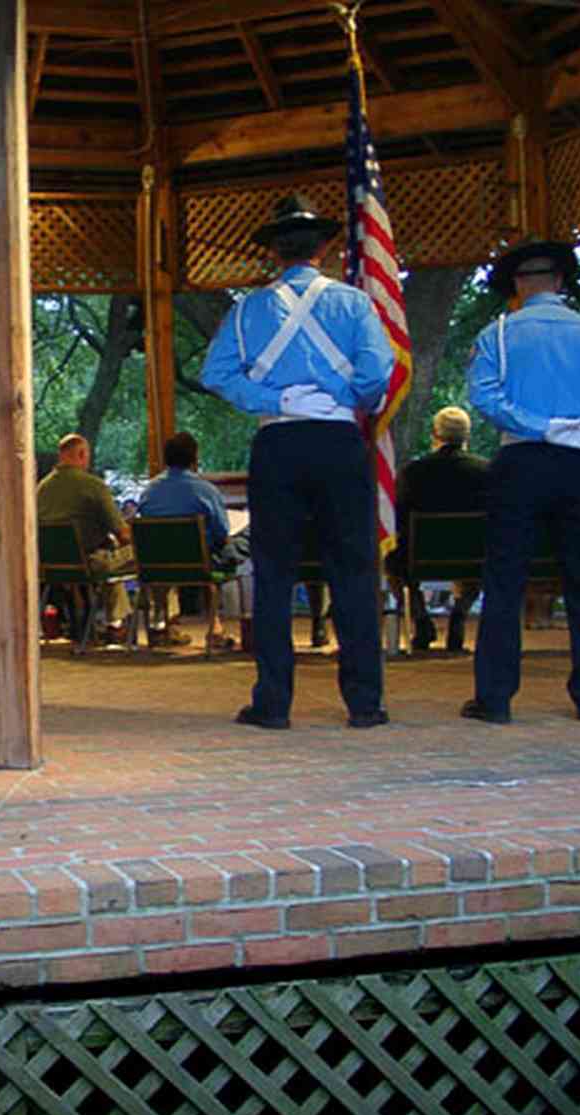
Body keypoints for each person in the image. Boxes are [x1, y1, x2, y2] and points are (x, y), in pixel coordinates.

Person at [200, 193, 395, 730]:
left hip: (279, 442)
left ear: (274, 252)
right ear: (325, 248)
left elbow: (216, 374)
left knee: (275, 572)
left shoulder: (247, 310)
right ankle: (364, 702)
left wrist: (277, 399)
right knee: (353, 570)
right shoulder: (355, 304)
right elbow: (378, 373)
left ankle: (273, 701)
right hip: (338, 440)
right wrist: (340, 395)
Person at [461, 238, 580, 723]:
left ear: (518, 285)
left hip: (521, 460)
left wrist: (532, 424)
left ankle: (495, 697)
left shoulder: (499, 334)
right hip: (576, 460)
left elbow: (482, 398)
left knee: (505, 578)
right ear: (559, 281)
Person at [389, 405, 488, 652]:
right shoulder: (488, 472)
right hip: (474, 558)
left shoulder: (413, 472)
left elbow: (397, 517)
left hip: (417, 558)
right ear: (467, 436)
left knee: (392, 558)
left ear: (435, 435)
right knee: (483, 553)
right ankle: (461, 612)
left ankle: (420, 616)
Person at [137, 430, 245, 649]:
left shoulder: (148, 492)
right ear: (194, 458)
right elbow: (222, 534)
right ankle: (215, 628)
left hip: (157, 565)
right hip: (201, 564)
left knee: (177, 554)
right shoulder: (205, 490)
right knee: (236, 543)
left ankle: (160, 625)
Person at [36, 433, 136, 645]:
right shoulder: (93, 485)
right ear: (82, 454)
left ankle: (111, 623)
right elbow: (123, 534)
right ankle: (125, 623)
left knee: (110, 558)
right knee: (133, 551)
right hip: (89, 563)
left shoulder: (41, 489)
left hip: (49, 567)